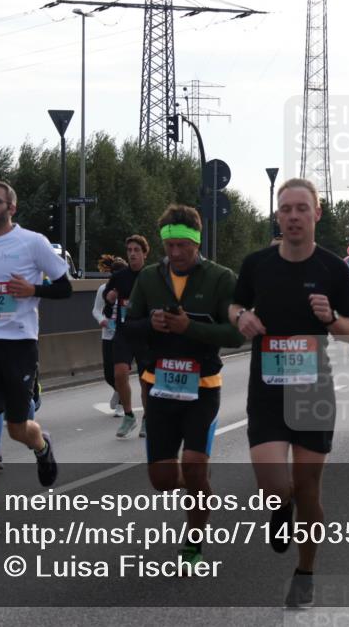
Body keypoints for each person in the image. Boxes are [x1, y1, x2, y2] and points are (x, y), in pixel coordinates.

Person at [230, 178, 349, 609]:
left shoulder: (333, 270)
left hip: (312, 391)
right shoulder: (257, 264)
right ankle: (279, 509)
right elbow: (233, 305)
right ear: (278, 216)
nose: (293, 216)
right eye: (285, 209)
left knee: (307, 490)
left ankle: (305, 572)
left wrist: (329, 319)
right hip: (266, 390)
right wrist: (242, 316)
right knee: (273, 486)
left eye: (301, 208)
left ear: (316, 214)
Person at [123, 205, 244, 569]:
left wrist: (188, 328)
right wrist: (151, 325)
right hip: (158, 388)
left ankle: (193, 541)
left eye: (182, 247)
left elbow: (236, 334)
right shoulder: (147, 278)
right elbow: (130, 328)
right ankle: (199, 487)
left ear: (197, 243)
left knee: (192, 464)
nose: (175, 254)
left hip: (203, 387)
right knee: (162, 480)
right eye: (169, 246)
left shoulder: (222, 279)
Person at [0, 180, 70, 536]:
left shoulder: (32, 242)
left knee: (16, 428)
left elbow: (65, 286)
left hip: (19, 344)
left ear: (11, 207)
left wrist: (32, 290)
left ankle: (41, 445)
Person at [104, 235, 150, 438]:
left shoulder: (152, 276)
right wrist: (110, 298)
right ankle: (129, 415)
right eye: (129, 250)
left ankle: (148, 419)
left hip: (146, 334)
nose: (132, 253)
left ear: (144, 254)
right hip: (124, 332)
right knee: (120, 373)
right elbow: (107, 300)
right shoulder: (119, 277)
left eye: (136, 250)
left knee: (146, 381)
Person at [92, 255, 128, 416]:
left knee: (121, 372)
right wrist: (102, 320)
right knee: (108, 374)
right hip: (107, 335)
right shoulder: (103, 289)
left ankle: (121, 405)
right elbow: (96, 310)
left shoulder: (130, 289)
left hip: (125, 335)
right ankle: (119, 391)